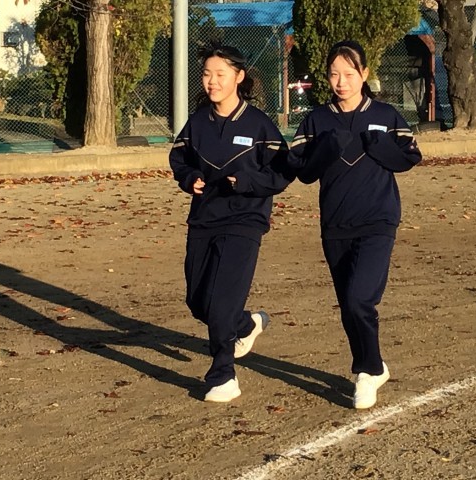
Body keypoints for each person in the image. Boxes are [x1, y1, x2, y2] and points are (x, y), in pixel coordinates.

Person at [288, 40, 422, 409]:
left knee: (360, 298)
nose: (341, 82)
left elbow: (409, 158)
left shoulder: (386, 115)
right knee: (349, 305)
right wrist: (324, 151)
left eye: (349, 74)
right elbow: (302, 172)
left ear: (364, 74)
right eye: (334, 74)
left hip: (379, 219)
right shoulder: (316, 120)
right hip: (335, 223)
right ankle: (374, 366)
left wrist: (381, 147)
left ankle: (366, 371)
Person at [169, 43, 292, 403]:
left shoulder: (259, 124)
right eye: (207, 74)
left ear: (239, 77)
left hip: (244, 220)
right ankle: (246, 324)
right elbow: (179, 157)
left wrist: (247, 182)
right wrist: (189, 177)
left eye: (220, 74)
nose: (212, 81)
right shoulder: (198, 122)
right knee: (198, 302)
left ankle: (223, 374)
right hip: (204, 218)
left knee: (221, 304)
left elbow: (282, 171)